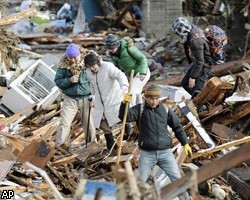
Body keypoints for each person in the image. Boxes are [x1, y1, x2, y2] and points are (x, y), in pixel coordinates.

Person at [119, 83, 192, 200]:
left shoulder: (166, 110)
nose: (154, 101)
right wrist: (124, 104)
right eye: (151, 98)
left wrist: (185, 143)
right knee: (139, 183)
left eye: (156, 98)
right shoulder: (140, 109)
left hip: (166, 153)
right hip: (147, 154)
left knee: (178, 181)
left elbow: (177, 127)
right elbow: (124, 117)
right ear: (145, 98)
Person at [84, 53, 129, 151]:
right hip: (100, 101)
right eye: (89, 67)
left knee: (121, 116)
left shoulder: (107, 66)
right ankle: (110, 143)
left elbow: (120, 76)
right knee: (102, 122)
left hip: (113, 97)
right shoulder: (88, 72)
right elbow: (92, 86)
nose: (92, 68)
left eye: (93, 66)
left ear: (98, 62)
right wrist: (93, 97)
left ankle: (127, 129)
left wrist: (124, 88)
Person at [54, 43, 95, 146]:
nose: (73, 60)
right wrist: (69, 80)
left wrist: (94, 96)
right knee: (64, 123)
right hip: (70, 98)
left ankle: (91, 146)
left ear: (79, 54)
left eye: (75, 57)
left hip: (86, 97)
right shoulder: (63, 66)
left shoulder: (88, 63)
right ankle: (59, 146)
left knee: (88, 123)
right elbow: (58, 81)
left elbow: (96, 80)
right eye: (70, 58)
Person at [172, 17, 213, 98]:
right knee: (185, 83)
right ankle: (197, 99)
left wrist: (193, 77)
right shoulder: (192, 29)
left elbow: (200, 61)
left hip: (204, 66)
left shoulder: (196, 41)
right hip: (198, 64)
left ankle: (202, 104)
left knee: (197, 92)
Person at [105, 33, 150, 107]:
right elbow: (114, 69)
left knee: (131, 91)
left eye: (113, 48)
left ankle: (131, 110)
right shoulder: (113, 57)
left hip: (141, 72)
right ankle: (140, 111)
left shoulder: (129, 48)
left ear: (117, 45)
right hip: (132, 76)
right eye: (110, 49)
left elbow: (143, 58)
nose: (112, 51)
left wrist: (143, 72)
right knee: (137, 93)